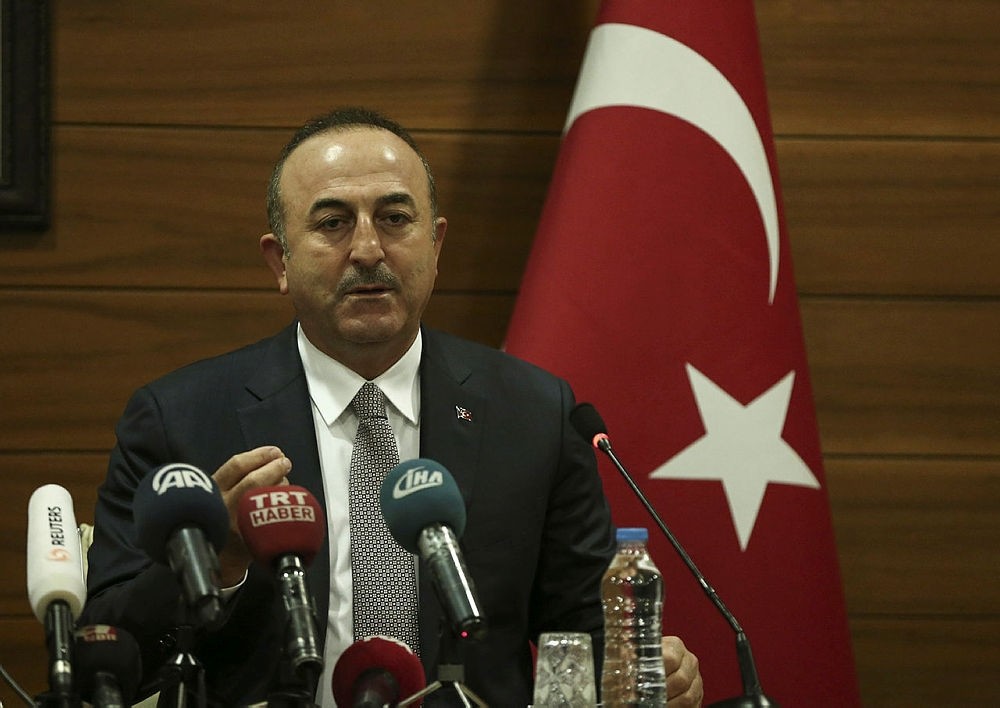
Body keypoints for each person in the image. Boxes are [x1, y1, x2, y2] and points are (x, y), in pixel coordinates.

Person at [81, 107, 704, 707]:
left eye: (395, 218)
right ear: (280, 261)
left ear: (435, 245)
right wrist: (212, 566)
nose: (369, 249)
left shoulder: (535, 413)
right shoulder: (181, 419)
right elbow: (105, 660)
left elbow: (584, 634)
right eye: (331, 222)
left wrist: (644, 672)